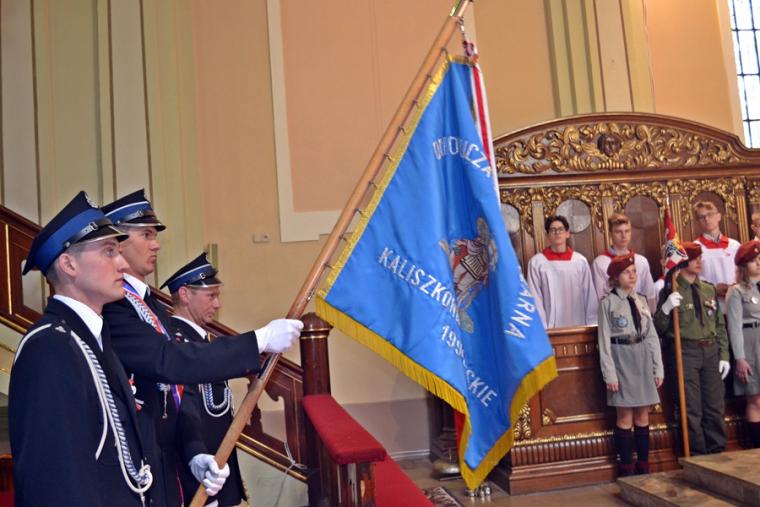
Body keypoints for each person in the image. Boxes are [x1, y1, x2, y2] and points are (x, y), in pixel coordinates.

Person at [101, 189, 303, 507]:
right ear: (118, 242)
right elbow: (169, 362)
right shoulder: (114, 306)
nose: (156, 244)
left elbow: (179, 395)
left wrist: (194, 452)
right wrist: (258, 339)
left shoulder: (149, 305)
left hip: (169, 461)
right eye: (146, 234)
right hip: (142, 460)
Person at [10, 191, 152, 506]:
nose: (123, 264)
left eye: (119, 252)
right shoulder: (49, 348)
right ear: (69, 264)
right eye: (109, 251)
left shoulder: (93, 339)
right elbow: (55, 480)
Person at [163, 252, 247, 506]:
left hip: (217, 474)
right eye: (211, 296)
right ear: (185, 294)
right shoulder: (176, 344)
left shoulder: (204, 342)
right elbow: (183, 417)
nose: (217, 304)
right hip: (197, 477)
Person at [654, 242, 730, 455]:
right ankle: (697, 455)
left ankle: (717, 452)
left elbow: (719, 325)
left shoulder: (708, 289)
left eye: (700, 257)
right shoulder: (671, 289)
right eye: (693, 258)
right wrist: (666, 308)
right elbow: (659, 328)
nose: (699, 261)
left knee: (714, 405)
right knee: (691, 407)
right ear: (682, 262)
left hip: (710, 350)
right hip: (685, 351)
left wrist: (724, 355)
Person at [598, 254, 663, 476]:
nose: (632, 275)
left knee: (643, 416)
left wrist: (657, 367)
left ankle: (643, 465)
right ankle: (626, 468)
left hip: (642, 358)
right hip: (621, 360)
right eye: (627, 272)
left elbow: (651, 335)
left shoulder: (641, 300)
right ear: (616, 277)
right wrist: (610, 374)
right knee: (625, 417)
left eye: (634, 271)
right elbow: (604, 342)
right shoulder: (608, 303)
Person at [527, 215, 597, 328]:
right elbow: (535, 298)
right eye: (553, 230)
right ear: (547, 235)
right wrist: (542, 328)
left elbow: (590, 295)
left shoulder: (580, 261)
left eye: (560, 229)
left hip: (578, 326)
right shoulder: (537, 263)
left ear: (567, 233)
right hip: (550, 329)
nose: (557, 233)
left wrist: (592, 325)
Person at [726, 240, 760, 447]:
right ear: (744, 266)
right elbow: (734, 327)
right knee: (755, 399)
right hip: (750, 346)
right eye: (754, 260)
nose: (759, 263)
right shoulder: (737, 291)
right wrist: (740, 358)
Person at [592, 214, 656, 311]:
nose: (623, 236)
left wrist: (651, 316)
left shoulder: (641, 261)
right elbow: (600, 299)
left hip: (640, 312)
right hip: (614, 314)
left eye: (627, 231)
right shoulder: (600, 263)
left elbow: (650, 295)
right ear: (610, 234)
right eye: (618, 232)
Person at [693, 201, 740, 309]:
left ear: (718, 216)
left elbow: (744, 272)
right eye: (701, 217)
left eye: (710, 214)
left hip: (736, 301)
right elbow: (693, 278)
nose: (706, 219)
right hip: (709, 304)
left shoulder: (734, 245)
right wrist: (713, 289)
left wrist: (734, 287)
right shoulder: (695, 248)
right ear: (697, 221)